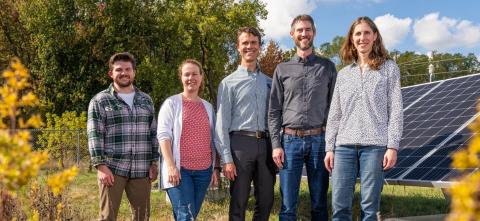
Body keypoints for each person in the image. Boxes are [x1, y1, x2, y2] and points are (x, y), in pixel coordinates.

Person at [324, 16, 403, 221]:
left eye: (367, 33)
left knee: (370, 207)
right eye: (357, 34)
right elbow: (335, 113)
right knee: (340, 206)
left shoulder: (389, 68)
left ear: (375, 36)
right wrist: (329, 148)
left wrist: (392, 146)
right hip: (343, 147)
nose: (362, 38)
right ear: (351, 38)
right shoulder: (343, 74)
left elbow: (395, 109)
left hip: (375, 146)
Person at [268, 14, 337, 221]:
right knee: (288, 206)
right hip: (289, 143)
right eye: (300, 30)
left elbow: (336, 109)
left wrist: (331, 145)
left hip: (319, 142)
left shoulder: (328, 67)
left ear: (314, 33)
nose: (304, 34)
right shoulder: (282, 69)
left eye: (308, 29)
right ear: (292, 35)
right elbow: (273, 111)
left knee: (319, 204)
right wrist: (275, 145)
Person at [87, 52, 159, 221]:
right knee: (107, 217)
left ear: (134, 72)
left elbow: (153, 133)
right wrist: (101, 166)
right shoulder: (100, 101)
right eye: (119, 69)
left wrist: (154, 163)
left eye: (128, 69)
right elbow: (94, 134)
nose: (124, 73)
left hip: (141, 169)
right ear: (111, 73)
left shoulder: (146, 100)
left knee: (143, 217)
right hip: (112, 168)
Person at [215, 27, 276, 221]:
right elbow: (221, 123)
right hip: (240, 145)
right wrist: (226, 158)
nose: (249, 46)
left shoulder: (270, 82)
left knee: (266, 200)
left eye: (253, 43)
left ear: (259, 46)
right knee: (239, 201)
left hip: (266, 144)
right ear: (238, 47)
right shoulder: (228, 83)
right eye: (245, 43)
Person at [157, 59, 219, 221]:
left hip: (204, 171)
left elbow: (213, 139)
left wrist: (214, 169)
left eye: (194, 74)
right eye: (187, 74)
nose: (191, 77)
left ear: (201, 77)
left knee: (188, 215)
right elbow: (163, 135)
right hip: (179, 171)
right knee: (186, 216)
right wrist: (171, 166)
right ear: (181, 78)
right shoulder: (171, 103)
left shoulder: (208, 107)